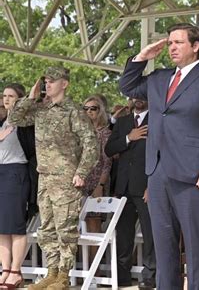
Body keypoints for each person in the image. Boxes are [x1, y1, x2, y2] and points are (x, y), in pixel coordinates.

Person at [119, 23, 199, 290]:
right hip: (157, 171)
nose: (172, 47)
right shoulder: (158, 78)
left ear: (195, 46)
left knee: (195, 244)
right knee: (163, 243)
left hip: (193, 173)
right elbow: (128, 86)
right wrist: (141, 58)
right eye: (169, 43)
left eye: (178, 42)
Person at [9, 66, 99, 290]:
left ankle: (63, 276)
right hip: (45, 178)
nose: (48, 84)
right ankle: (52, 272)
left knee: (65, 229)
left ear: (64, 84)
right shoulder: (40, 109)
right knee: (47, 229)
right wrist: (30, 97)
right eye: (46, 81)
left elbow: (91, 144)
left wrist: (81, 173)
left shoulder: (73, 111)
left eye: (52, 81)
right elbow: (14, 117)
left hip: (66, 179)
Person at [104, 98, 156, 289]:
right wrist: (128, 138)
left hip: (146, 187)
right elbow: (109, 149)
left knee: (150, 233)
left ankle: (150, 275)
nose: (138, 99)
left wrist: (153, 184)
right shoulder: (124, 122)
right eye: (135, 96)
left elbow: (162, 153)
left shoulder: (157, 119)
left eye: (142, 95)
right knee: (123, 234)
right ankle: (121, 276)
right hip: (123, 187)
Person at [0, 83, 37, 289]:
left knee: (15, 226)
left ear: (20, 99)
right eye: (4, 95)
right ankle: (5, 270)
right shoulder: (3, 122)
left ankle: (16, 270)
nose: (6, 99)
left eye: (11, 96)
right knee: (1, 228)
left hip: (16, 173)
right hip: (1, 172)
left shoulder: (24, 122)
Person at [81, 95, 113, 265]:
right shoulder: (80, 133)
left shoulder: (105, 133)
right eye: (85, 109)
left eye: (93, 108)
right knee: (80, 227)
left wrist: (100, 184)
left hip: (97, 182)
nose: (89, 112)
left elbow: (107, 163)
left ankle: (95, 268)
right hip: (80, 182)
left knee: (94, 227)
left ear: (100, 111)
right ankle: (83, 267)